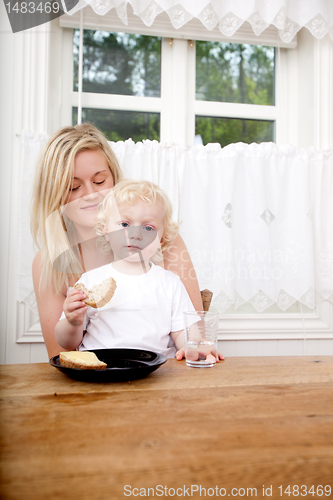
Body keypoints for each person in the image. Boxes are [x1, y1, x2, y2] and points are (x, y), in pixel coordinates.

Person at [31, 123, 204, 359]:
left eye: (100, 181)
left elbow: (192, 333)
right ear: (54, 194)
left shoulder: (162, 240)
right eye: (73, 187)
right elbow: (61, 354)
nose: (91, 194)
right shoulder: (49, 261)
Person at [55, 180, 204, 360]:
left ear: (161, 239)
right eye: (125, 224)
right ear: (105, 230)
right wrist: (72, 322)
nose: (135, 234)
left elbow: (183, 332)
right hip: (100, 370)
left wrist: (192, 346)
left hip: (155, 371)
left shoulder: (170, 283)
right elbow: (67, 343)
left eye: (148, 228)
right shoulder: (89, 282)